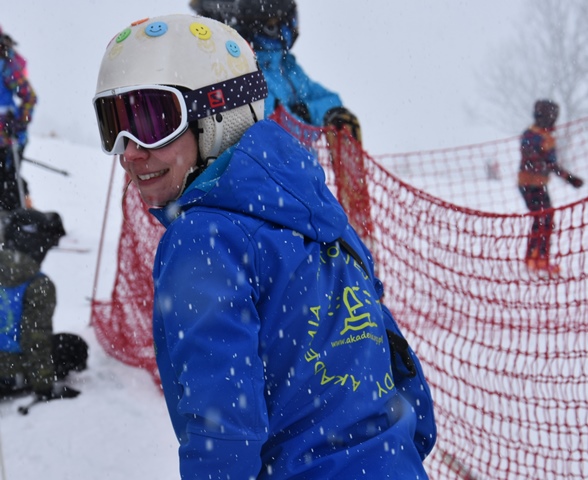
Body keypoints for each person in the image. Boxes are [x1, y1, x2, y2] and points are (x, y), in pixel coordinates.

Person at [93, 14, 436, 478]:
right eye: (114, 124)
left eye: (152, 121)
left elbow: (223, 431)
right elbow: (395, 363)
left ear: (215, 116)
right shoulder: (318, 209)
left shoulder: (203, 239)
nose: (130, 151)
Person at [189, 1, 374, 249]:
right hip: (263, 186)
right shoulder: (242, 65)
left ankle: (351, 237)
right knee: (280, 244)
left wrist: (329, 111)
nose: (286, 30)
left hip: (298, 181)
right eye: (276, 24)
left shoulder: (284, 65)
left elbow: (313, 94)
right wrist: (297, 116)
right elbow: (263, 117)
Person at [0, 208, 88, 400]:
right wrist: (44, 385)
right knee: (73, 347)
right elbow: (35, 339)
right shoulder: (38, 284)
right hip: (9, 371)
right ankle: (17, 378)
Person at [518, 99, 584, 274]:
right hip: (529, 184)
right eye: (550, 116)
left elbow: (551, 163)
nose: (553, 120)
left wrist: (569, 178)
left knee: (543, 219)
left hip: (538, 183)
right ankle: (538, 259)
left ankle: (535, 257)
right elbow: (539, 159)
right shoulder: (532, 135)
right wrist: (543, 162)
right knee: (544, 218)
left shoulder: (546, 136)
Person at [0, 27, 37, 211]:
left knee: (7, 184)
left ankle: (20, 218)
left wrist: (17, 124)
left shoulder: (7, 66)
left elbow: (29, 97)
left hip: (10, 139)